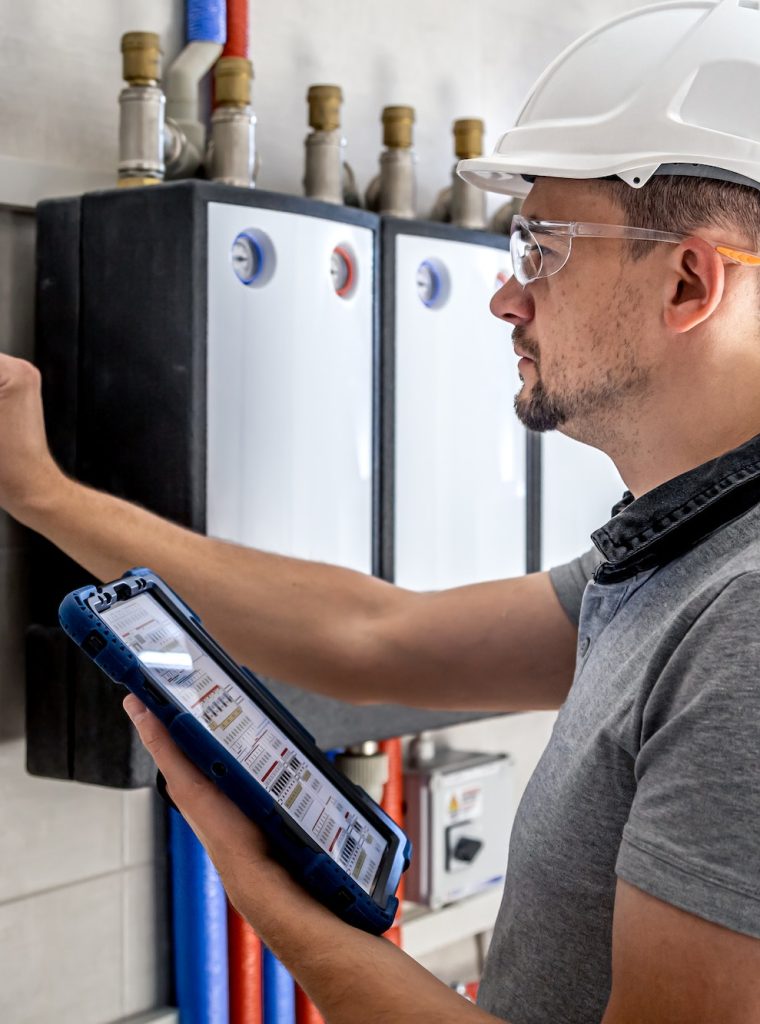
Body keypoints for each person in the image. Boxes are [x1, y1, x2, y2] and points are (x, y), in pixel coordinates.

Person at [5, 0, 760, 1020]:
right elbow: (373, 636)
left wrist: (272, 898)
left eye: (539, 244)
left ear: (687, 283)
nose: (506, 297)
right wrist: (40, 491)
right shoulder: (679, 557)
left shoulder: (743, 618)